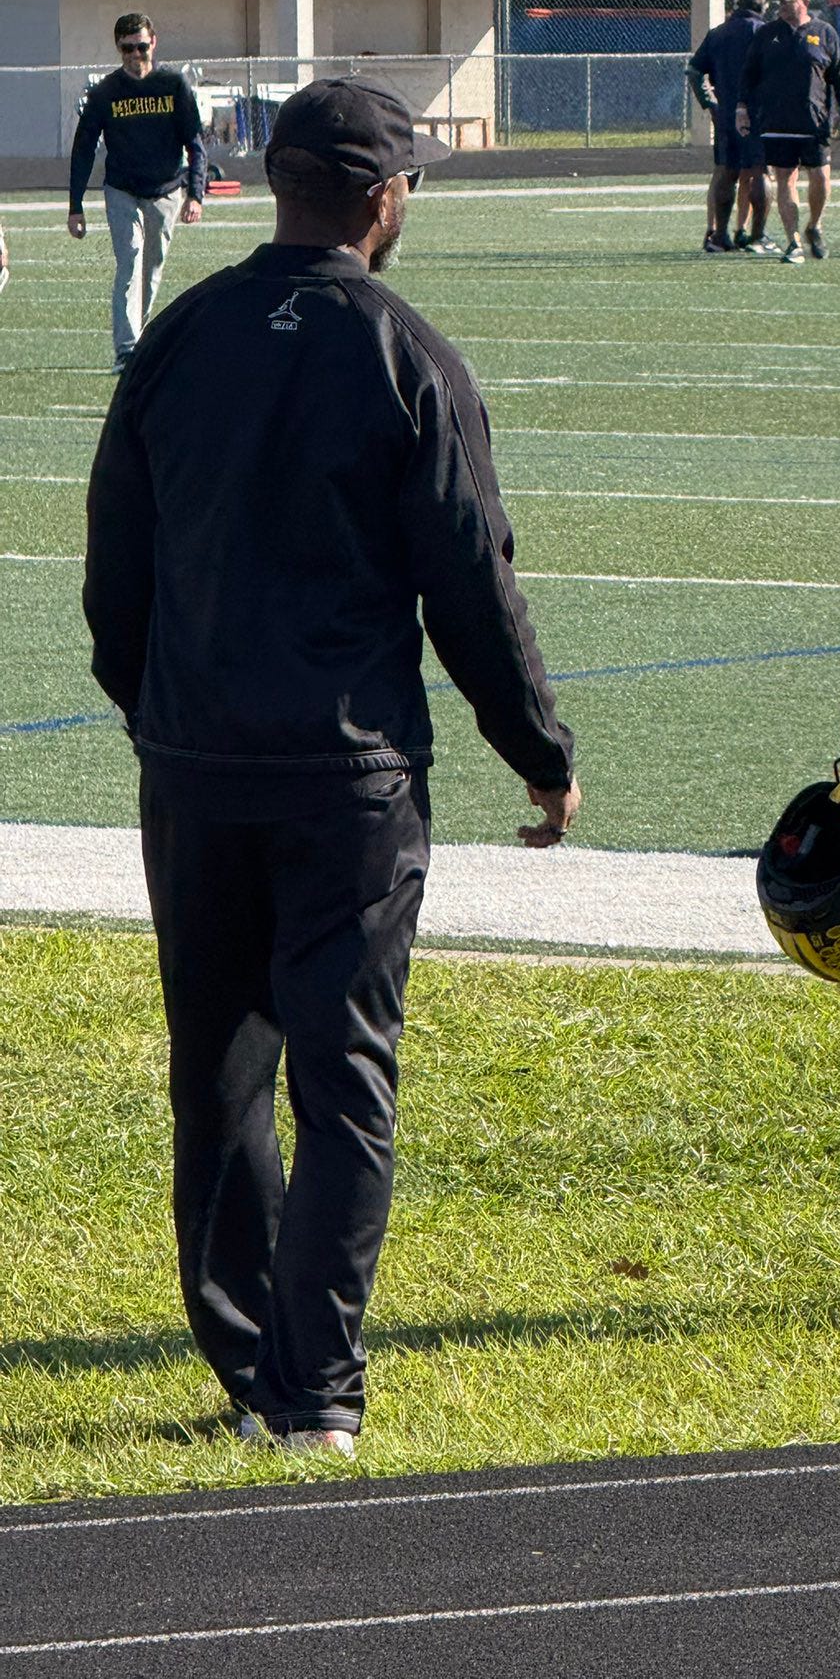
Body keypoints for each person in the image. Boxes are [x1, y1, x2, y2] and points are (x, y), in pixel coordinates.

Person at [82, 78, 580, 1454]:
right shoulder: (404, 350)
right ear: (384, 195)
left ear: (277, 178)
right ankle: (317, 1395)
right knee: (344, 1078)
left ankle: (251, 1372)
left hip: (194, 763)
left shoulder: (181, 337)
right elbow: (470, 580)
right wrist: (539, 752)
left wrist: (155, 705)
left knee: (220, 1077)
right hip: (345, 776)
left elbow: (115, 559)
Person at [67, 12, 207, 373]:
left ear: (153, 43)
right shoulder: (105, 93)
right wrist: (75, 205)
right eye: (128, 48)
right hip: (122, 189)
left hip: (165, 190)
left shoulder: (173, 85)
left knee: (153, 267)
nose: (135, 54)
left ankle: (138, 338)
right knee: (130, 261)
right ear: (119, 48)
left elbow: (195, 142)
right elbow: (83, 147)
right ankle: (126, 350)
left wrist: (196, 194)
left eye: (141, 46)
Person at [736, 0, 840, 265]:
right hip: (777, 121)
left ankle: (814, 225)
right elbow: (749, 73)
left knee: (821, 177)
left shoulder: (824, 33)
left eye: (788, 0)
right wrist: (742, 108)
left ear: (803, 2)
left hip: (814, 121)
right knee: (785, 179)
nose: (782, 5)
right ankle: (794, 242)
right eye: (780, 0)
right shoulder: (766, 34)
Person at [687, 0, 774, 255]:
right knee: (760, 171)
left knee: (726, 171)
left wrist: (710, 103)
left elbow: (694, 70)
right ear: (762, 6)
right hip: (759, 113)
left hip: (726, 113)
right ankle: (757, 235)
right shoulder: (768, 33)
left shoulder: (718, 34)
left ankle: (719, 235)